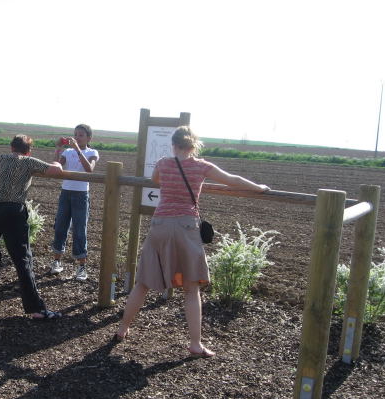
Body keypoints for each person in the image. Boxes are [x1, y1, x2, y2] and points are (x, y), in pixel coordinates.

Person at [114, 126, 270, 358]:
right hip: (186, 226)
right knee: (191, 288)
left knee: (143, 282)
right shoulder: (201, 166)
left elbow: (155, 179)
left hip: (160, 224)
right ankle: (195, 344)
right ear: (194, 145)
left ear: (173, 144)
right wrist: (259, 188)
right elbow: (232, 180)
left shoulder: (163, 163)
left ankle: (122, 329)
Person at [0, 134, 64, 320]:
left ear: (12, 147)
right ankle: (36, 309)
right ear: (28, 150)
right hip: (13, 211)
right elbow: (56, 170)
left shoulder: (0, 158)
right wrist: (57, 157)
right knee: (23, 259)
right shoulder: (29, 161)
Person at [49, 124, 99, 281]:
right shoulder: (68, 152)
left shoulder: (92, 152)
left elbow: (89, 169)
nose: (77, 137)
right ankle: (57, 261)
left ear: (89, 138)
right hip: (65, 193)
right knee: (60, 226)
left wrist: (77, 149)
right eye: (75, 134)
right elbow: (55, 167)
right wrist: (58, 148)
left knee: (79, 230)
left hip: (81, 195)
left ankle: (81, 266)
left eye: (81, 135)